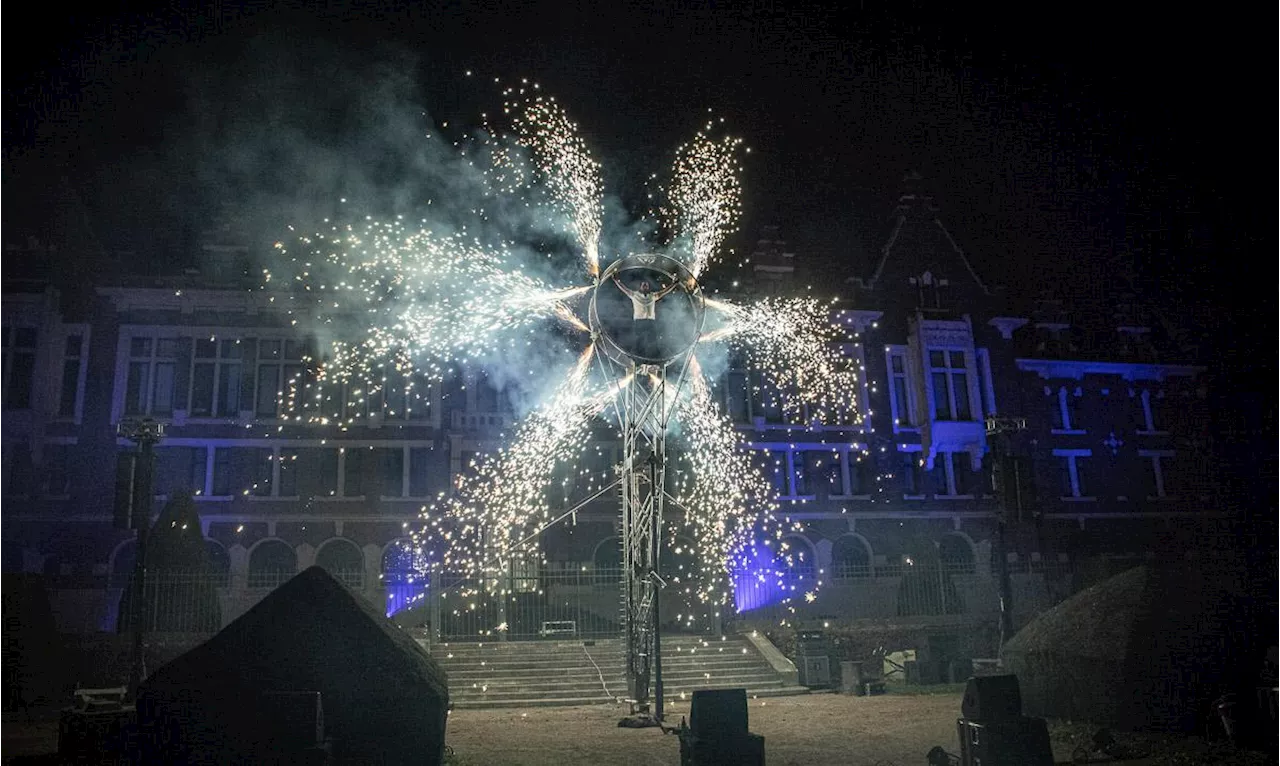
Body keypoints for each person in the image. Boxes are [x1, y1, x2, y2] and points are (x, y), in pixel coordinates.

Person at [613, 275, 679, 321]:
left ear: (648, 287)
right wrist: (616, 281)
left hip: (650, 320)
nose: (645, 286)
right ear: (640, 287)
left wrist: (674, 284)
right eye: (644, 285)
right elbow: (624, 289)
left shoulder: (653, 295)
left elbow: (665, 291)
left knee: (651, 340)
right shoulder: (634, 295)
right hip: (639, 320)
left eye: (646, 285)